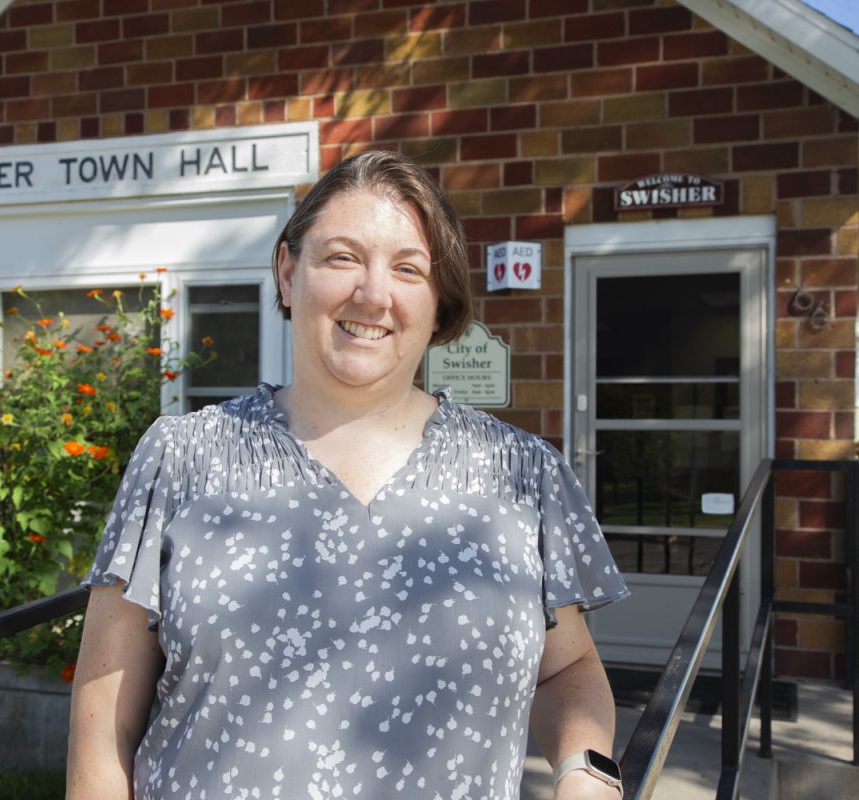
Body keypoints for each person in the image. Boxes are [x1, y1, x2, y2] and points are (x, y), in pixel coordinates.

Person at [66, 150, 630, 800]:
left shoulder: (523, 474)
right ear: (287, 271)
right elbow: (103, 726)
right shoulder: (181, 457)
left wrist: (586, 773)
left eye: (408, 268)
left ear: (439, 302)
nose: (373, 293)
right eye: (341, 258)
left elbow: (569, 670)